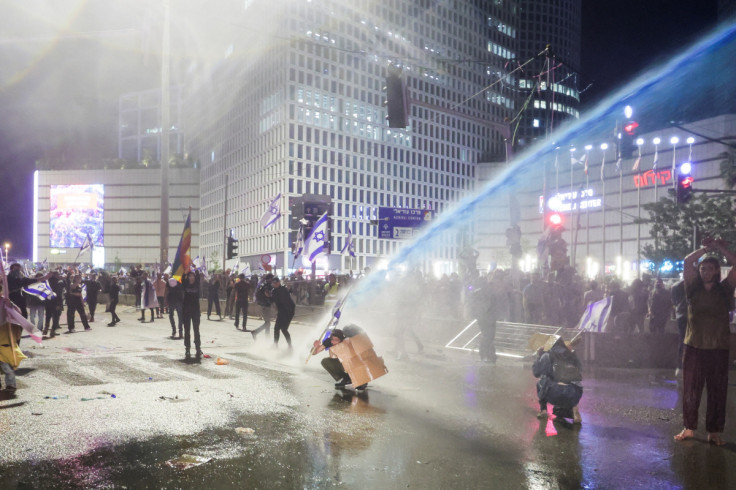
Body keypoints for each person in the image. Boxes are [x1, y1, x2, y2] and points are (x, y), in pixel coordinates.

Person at [674, 238, 736, 446]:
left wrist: (720, 248)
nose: (705, 271)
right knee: (691, 388)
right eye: (703, 268)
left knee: (717, 390)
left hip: (718, 347)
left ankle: (714, 432)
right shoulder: (692, 288)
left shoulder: (725, 290)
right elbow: (686, 262)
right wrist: (705, 249)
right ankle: (689, 427)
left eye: (710, 268)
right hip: (694, 346)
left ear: (717, 271)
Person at [532, 337, 583, 423]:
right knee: (574, 381)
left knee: (543, 380)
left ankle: (543, 410)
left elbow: (536, 373)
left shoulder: (546, 356)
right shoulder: (571, 356)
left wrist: (539, 356)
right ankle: (574, 408)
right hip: (573, 395)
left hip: (554, 393)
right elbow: (579, 370)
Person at [181, 271, 203, 359]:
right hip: (186, 311)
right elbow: (183, 279)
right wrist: (185, 272)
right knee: (187, 331)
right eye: (190, 276)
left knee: (196, 330)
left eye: (193, 276)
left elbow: (198, 277)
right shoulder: (185, 285)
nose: (192, 278)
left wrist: (195, 269)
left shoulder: (197, 285)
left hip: (196, 311)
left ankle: (198, 348)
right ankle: (187, 348)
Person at [270, 277, 294, 349]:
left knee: (283, 329)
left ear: (278, 283)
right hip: (283, 311)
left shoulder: (282, 290)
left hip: (287, 311)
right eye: (273, 283)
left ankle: (289, 346)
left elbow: (281, 299)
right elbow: (273, 301)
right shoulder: (276, 290)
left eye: (275, 283)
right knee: (278, 328)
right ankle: (276, 344)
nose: (273, 285)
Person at [670, 279, 688, 376]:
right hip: (693, 315)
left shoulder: (676, 286)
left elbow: (674, 301)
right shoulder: (697, 283)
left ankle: (680, 366)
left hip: (681, 315)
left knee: (682, 341)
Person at [251, 273, 274, 341]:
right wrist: (271, 297)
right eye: (272, 278)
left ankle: (267, 338)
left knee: (268, 323)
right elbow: (266, 293)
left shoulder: (263, 284)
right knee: (267, 323)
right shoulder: (267, 286)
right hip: (265, 306)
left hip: (264, 305)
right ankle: (255, 332)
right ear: (269, 279)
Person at [43, 271, 65, 338]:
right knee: (56, 317)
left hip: (48, 301)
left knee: (48, 316)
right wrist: (59, 304)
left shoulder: (47, 282)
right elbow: (58, 294)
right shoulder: (58, 282)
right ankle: (53, 330)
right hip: (56, 302)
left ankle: (46, 329)